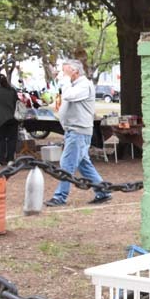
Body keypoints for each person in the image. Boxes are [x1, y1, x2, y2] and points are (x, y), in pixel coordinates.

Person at [45, 59, 112, 206]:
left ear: (75, 71)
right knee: (84, 165)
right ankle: (103, 192)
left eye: (65, 70)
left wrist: (64, 81)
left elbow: (70, 96)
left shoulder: (83, 85)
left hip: (79, 131)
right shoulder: (74, 85)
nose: (63, 74)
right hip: (74, 130)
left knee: (66, 164)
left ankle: (60, 197)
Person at [0, 74, 20, 167]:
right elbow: (17, 102)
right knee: (12, 139)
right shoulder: (12, 90)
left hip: (0, 119)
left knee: (1, 139)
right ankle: (10, 159)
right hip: (12, 118)